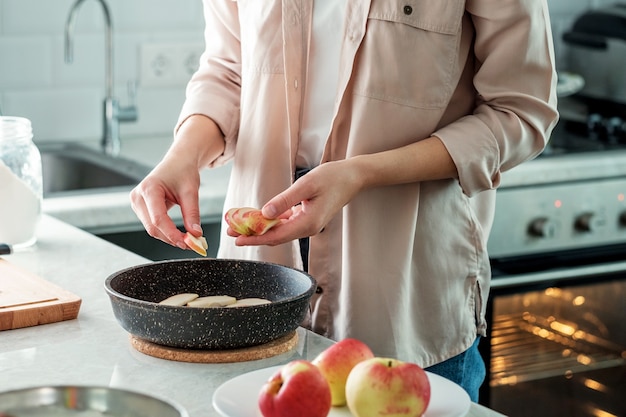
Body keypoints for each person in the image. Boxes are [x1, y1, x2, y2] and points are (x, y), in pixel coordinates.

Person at [130, 0, 559, 402]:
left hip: (403, 305)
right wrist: (183, 154)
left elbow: (521, 112)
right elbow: (229, 70)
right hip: (256, 299)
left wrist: (363, 173)